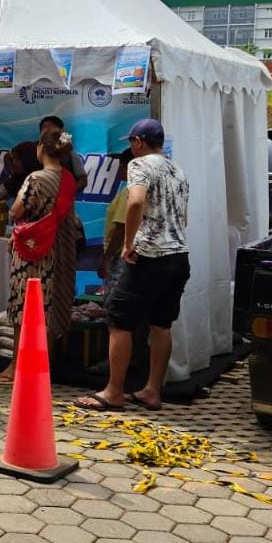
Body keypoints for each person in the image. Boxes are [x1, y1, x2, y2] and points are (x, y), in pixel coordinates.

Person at [74, 119, 190, 412]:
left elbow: (135, 202)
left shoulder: (140, 165)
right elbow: (182, 215)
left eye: (131, 143)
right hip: (177, 255)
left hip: (148, 255)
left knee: (119, 322)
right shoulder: (178, 170)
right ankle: (153, 390)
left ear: (138, 142)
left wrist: (127, 244)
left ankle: (114, 391)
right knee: (161, 324)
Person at [0, 128, 78, 385]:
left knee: (23, 308)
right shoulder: (68, 178)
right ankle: (41, 366)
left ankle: (16, 367)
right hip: (59, 250)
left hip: (33, 251)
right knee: (49, 310)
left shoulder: (36, 178)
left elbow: (16, 211)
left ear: (41, 149)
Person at [99, 148, 134, 288]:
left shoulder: (129, 193)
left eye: (122, 165)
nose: (119, 168)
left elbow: (121, 229)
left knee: (115, 299)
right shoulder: (132, 190)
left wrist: (106, 259)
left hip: (120, 256)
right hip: (125, 255)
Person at [39, 115, 89, 192]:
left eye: (51, 128)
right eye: (44, 128)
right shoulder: (32, 151)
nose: (47, 131)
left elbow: (83, 180)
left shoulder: (70, 154)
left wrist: (66, 195)